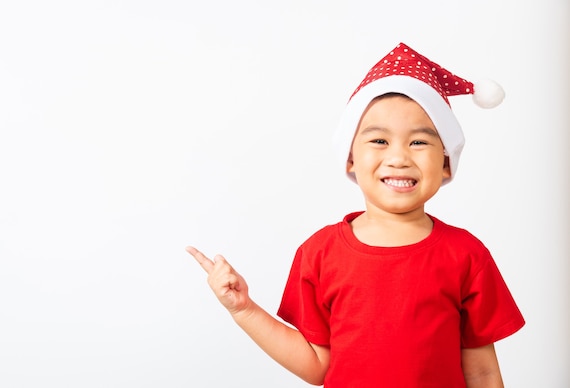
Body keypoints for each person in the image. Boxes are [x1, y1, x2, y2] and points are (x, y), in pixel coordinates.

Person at [186, 42, 525, 387]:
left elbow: (481, 372)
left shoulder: (467, 255)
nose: (399, 158)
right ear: (350, 158)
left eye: (419, 142)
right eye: (379, 141)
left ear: (446, 163)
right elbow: (317, 366)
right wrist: (244, 310)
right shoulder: (318, 253)